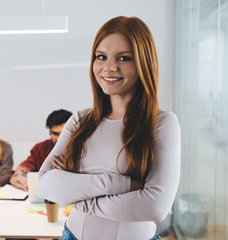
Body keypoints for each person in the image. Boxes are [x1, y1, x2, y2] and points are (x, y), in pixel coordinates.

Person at [37, 16, 181, 240]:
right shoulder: (80, 120)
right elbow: (45, 185)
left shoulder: (161, 123)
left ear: (144, 63)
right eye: (101, 57)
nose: (109, 67)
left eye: (124, 58)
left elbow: (155, 207)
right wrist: (122, 184)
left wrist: (76, 192)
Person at [9, 109, 72, 191]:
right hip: (45, 198)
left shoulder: (85, 149)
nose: (59, 138)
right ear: (49, 132)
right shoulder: (41, 148)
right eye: (55, 134)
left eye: (63, 133)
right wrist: (36, 188)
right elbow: (17, 175)